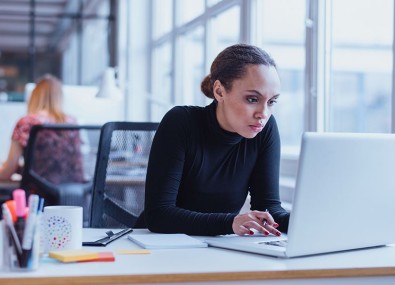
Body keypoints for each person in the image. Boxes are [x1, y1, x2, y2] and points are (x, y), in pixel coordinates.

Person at [144, 43, 290, 236]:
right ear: (219, 91)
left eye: (271, 102)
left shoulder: (265, 129)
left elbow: (269, 208)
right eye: (252, 99)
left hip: (217, 247)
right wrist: (230, 223)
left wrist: (312, 221)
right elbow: (158, 215)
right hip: (158, 247)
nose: (263, 114)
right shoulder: (180, 122)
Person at [0, 74, 78, 180]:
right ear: (59, 97)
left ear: (35, 96)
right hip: (73, 191)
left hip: (37, 192)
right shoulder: (72, 123)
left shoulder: (26, 123)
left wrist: (11, 168)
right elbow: (57, 167)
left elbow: (8, 171)